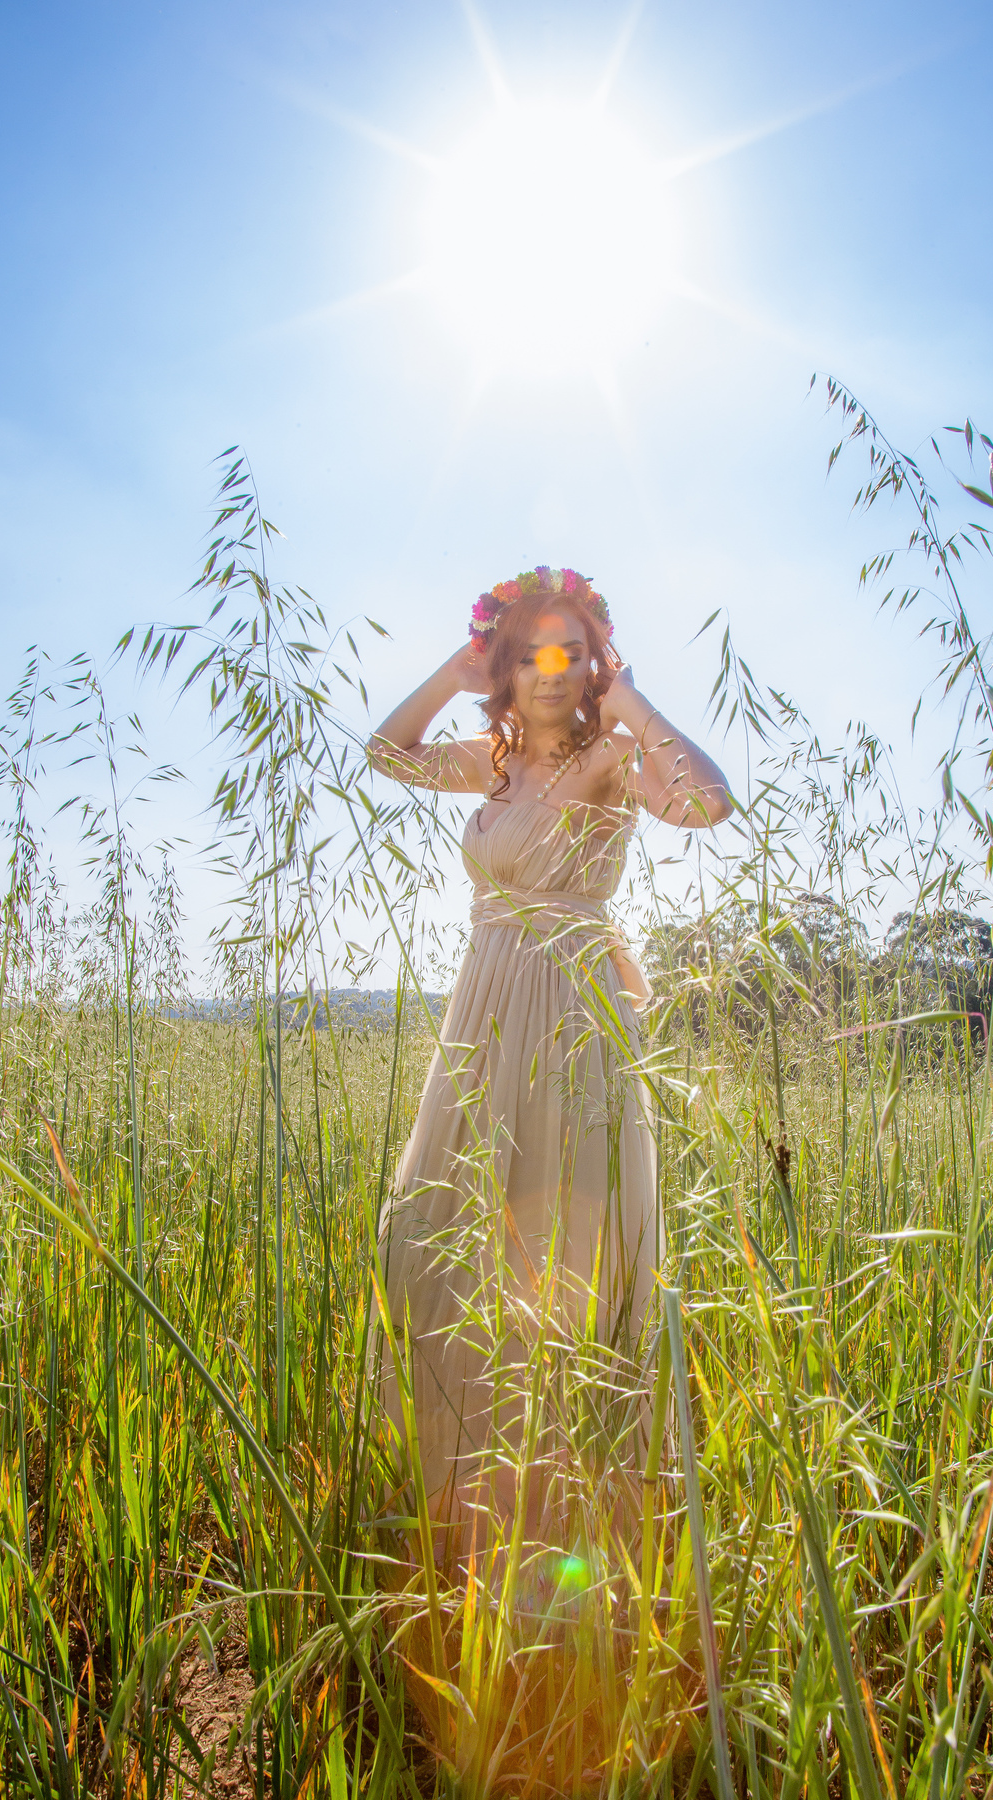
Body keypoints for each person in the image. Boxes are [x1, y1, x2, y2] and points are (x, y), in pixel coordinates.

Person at [368, 567, 731, 1587]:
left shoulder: (611, 759)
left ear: (594, 665)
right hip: (482, 1010)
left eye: (570, 652)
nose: (549, 670)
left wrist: (632, 707)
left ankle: (575, 1516)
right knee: (436, 1230)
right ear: (505, 667)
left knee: (569, 1244)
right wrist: (452, 671)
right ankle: (462, 1499)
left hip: (573, 1015)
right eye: (528, 653)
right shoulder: (489, 766)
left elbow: (707, 802)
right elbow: (386, 753)